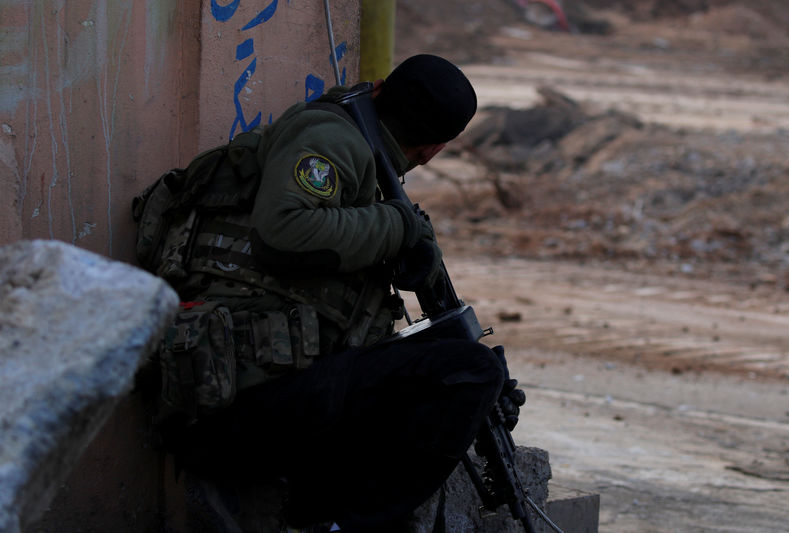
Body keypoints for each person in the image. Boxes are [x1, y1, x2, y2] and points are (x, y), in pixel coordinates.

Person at [155, 54, 524, 532]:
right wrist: (397, 224)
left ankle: (319, 518)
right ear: (433, 150)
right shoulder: (332, 138)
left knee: (466, 372)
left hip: (264, 397)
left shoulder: (368, 170)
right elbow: (283, 230)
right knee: (467, 372)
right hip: (231, 406)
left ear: (377, 88)